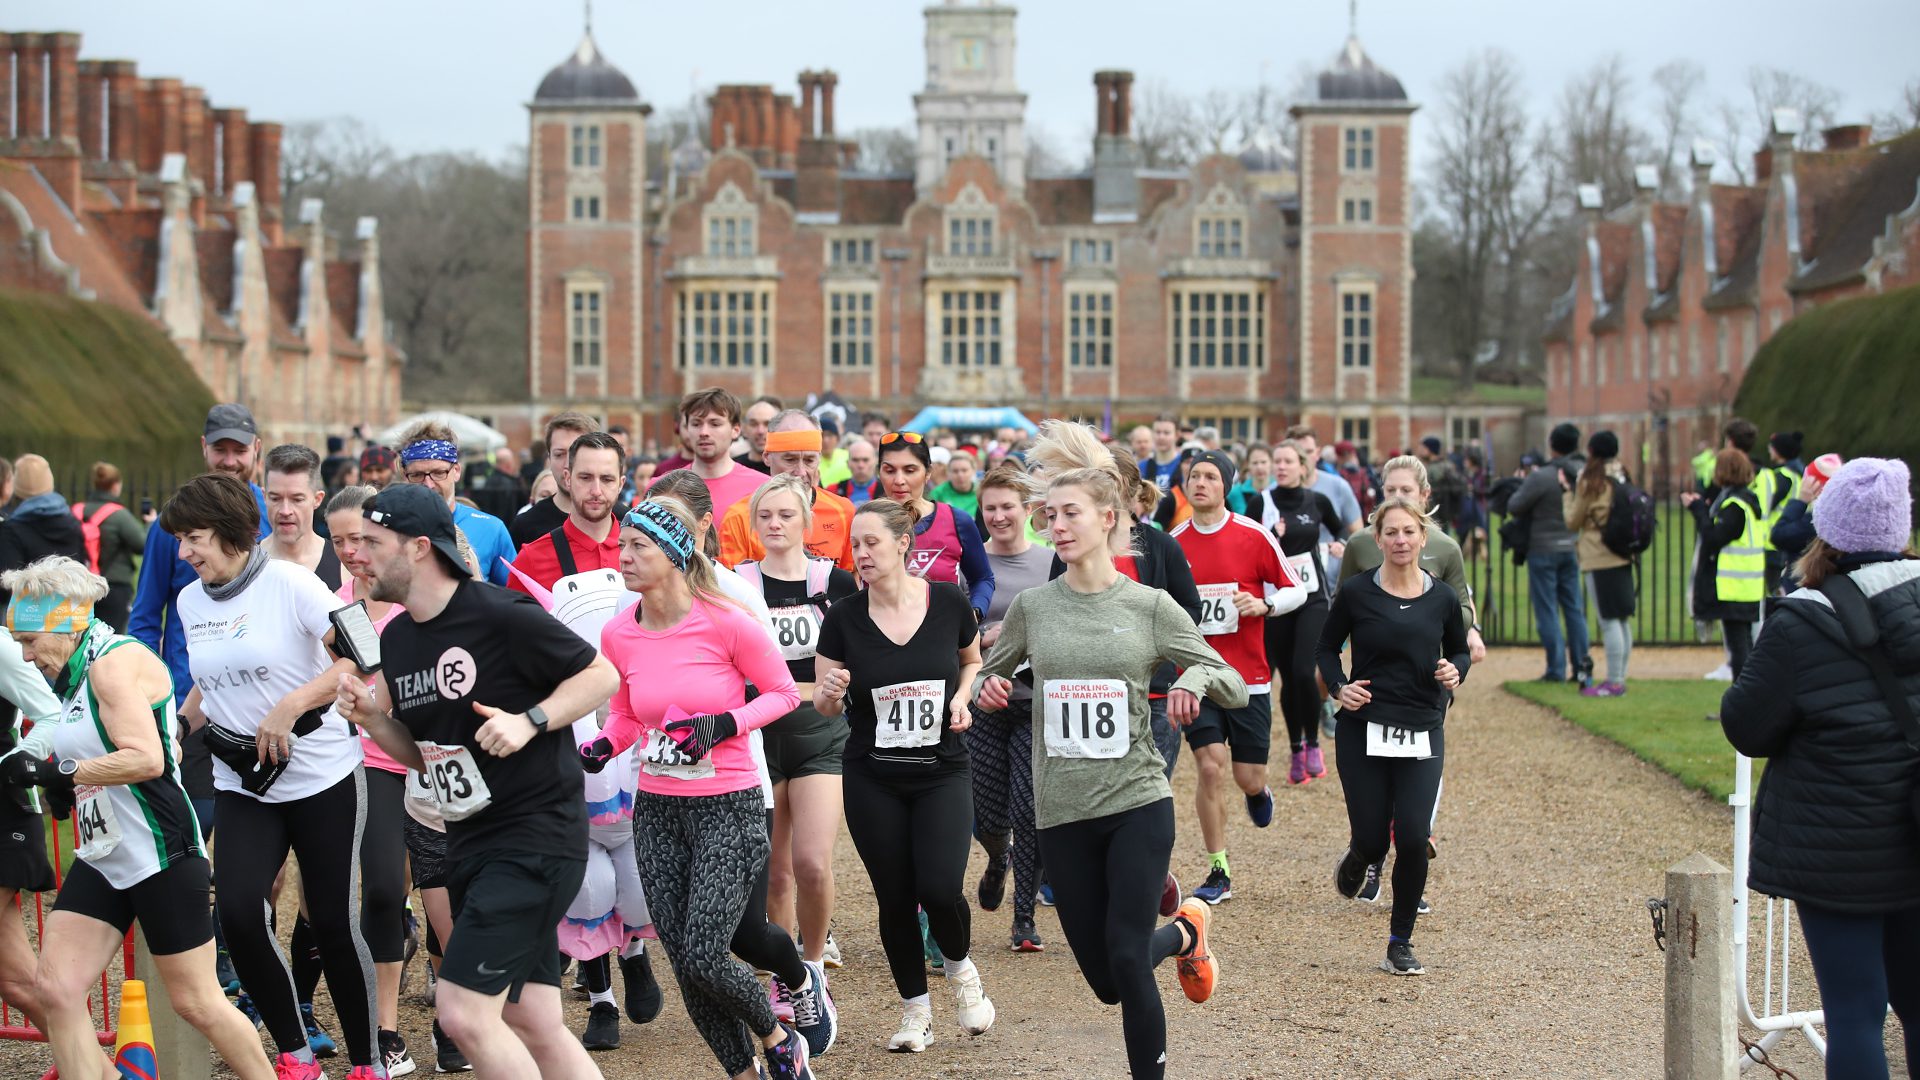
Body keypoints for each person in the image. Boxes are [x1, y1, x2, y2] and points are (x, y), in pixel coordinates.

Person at [334, 482, 618, 1079]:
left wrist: (530, 721)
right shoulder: (400, 638)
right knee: (534, 1018)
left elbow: (601, 676)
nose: (357, 554)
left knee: (462, 1013)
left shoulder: (497, 612)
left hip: (534, 839)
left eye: (372, 542)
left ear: (417, 548)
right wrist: (372, 720)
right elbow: (421, 757)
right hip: (472, 843)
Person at [974, 452, 1244, 1080]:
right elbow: (992, 671)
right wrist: (987, 688)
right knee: (1105, 980)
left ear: (1108, 518)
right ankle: (1184, 933)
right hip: (1061, 809)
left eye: (1071, 514)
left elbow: (1226, 676)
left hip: (1135, 801)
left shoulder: (1149, 606)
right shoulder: (1035, 608)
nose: (1058, 525)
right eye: (1052, 515)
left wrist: (1196, 679)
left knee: (1125, 958)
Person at [0, 557, 278, 1080]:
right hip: (105, 855)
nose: (24, 653)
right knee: (56, 988)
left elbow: (148, 758)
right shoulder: (75, 675)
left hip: (159, 849)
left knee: (197, 1001)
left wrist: (64, 770)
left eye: (30, 639)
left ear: (65, 624)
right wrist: (71, 785)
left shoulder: (111, 664)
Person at [580, 498, 825, 1078]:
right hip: (658, 810)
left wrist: (724, 724)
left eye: (639, 547)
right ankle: (743, 1072)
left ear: (673, 553)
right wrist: (603, 746)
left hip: (729, 805)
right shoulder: (619, 633)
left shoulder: (725, 620)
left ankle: (779, 1037)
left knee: (708, 954)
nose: (626, 557)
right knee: (686, 964)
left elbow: (785, 694)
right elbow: (625, 713)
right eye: (623, 546)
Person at [158, 474, 380, 1079]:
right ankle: (295, 1052)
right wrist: (178, 724)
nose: (186, 552)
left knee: (331, 921)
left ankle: (368, 1062)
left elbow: (362, 651)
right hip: (243, 781)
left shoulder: (289, 583)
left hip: (321, 774)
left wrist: (292, 704)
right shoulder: (191, 600)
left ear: (231, 534)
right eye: (180, 540)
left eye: (195, 538)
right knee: (235, 913)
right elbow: (215, 674)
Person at [1720, 457, 1920, 1080]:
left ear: (1825, 527)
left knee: (1856, 1011)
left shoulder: (1803, 619)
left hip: (1838, 842)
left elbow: (1747, 727)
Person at [814, 498, 994, 1052]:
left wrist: (964, 697)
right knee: (893, 896)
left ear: (902, 544)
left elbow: (970, 660)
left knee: (939, 887)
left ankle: (962, 973)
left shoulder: (947, 602)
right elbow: (825, 702)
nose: (861, 554)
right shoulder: (843, 616)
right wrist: (827, 694)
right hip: (874, 776)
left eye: (872, 543)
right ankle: (915, 1013)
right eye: (856, 544)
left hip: (942, 769)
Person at [1320, 498, 1470, 977]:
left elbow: (1460, 653)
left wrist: (1455, 671)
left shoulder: (1443, 598)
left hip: (1422, 727)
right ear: (1377, 539)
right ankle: (1360, 855)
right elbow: (1325, 648)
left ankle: (1399, 942)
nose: (1401, 541)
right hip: (1364, 726)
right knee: (1373, 837)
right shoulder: (1359, 593)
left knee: (1411, 835)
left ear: (1423, 538)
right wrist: (1340, 688)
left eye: (1409, 532)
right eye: (1392, 533)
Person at [318, 486, 430, 1075]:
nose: (353, 552)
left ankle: (452, 1017)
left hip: (421, 758)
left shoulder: (416, 597)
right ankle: (384, 1031)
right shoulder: (327, 605)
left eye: (363, 539)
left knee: (427, 893)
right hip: (354, 763)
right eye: (340, 541)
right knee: (377, 892)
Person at [735, 476, 856, 998]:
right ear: (754, 523)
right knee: (776, 874)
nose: (776, 524)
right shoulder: (736, 582)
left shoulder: (835, 581)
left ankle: (814, 964)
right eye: (766, 516)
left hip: (821, 734)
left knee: (812, 862)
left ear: (807, 521)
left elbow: (854, 656)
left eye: (787, 515)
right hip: (758, 737)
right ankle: (789, 983)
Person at [1028, 427, 1204, 781]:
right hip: (1088, 692)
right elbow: (1055, 606)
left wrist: (1148, 641)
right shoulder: (1072, 550)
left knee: (1147, 791)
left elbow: (1190, 610)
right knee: (1095, 792)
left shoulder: (1160, 546)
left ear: (1128, 491)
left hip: (1153, 692)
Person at [1173, 451, 1306, 905]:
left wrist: (1264, 606)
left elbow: (1297, 589)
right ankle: (1218, 868)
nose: (1201, 483)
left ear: (1226, 486)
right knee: (1210, 767)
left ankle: (1258, 790)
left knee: (1247, 776)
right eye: (1194, 476)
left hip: (1248, 678)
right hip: (1197, 676)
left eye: (1211, 476)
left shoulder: (1254, 535)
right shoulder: (1175, 543)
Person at [967, 464, 1056, 952]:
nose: (999, 516)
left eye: (1008, 507)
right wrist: (987, 639)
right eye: (991, 508)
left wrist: (1023, 638)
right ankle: (997, 857)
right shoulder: (971, 563)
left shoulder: (1050, 563)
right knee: (987, 811)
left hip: (1036, 703)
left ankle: (1024, 918)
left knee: (1029, 807)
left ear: (1028, 510)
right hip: (983, 703)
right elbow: (956, 633)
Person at [1256, 440, 1348, 788]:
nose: (1281, 466)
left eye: (1287, 461)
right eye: (1276, 461)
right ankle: (1295, 748)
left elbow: (1341, 530)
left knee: (1302, 670)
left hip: (1311, 596)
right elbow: (1248, 544)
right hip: (1277, 598)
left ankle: (1312, 743)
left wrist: (1338, 545)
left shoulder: (1317, 501)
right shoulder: (1260, 503)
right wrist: (1270, 537)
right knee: (1287, 678)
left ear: (1302, 466)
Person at [717, 411, 856, 571]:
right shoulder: (739, 517)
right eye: (790, 460)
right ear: (767, 457)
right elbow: (729, 589)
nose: (801, 471)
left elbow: (850, 585)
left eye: (810, 460)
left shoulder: (844, 512)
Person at [876, 431, 995, 619]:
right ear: (879, 472)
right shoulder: (864, 522)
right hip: (879, 639)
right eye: (890, 470)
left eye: (910, 470)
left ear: (928, 473)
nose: (899, 480)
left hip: (943, 639)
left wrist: (973, 613)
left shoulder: (957, 521)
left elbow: (982, 578)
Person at [1508, 423, 1591, 685]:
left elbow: (1515, 505)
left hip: (1543, 548)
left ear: (1552, 445)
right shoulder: (1582, 473)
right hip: (1571, 547)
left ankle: (1556, 669)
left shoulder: (1543, 476)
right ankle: (1580, 667)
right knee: (1574, 610)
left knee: (1547, 611)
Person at [399, 421, 517, 587]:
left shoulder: (491, 529)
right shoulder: (391, 529)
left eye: (438, 473)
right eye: (417, 475)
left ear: (456, 472)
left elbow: (515, 599)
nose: (428, 484)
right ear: (405, 477)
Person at [1683, 449, 1765, 681]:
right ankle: (1749, 698)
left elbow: (1714, 538)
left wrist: (1698, 511)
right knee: (1745, 644)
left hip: (1734, 585)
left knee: (1738, 646)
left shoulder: (1735, 505)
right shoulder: (1746, 500)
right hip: (1745, 583)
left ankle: (1743, 702)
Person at [1564, 432, 1634, 696]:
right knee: (1622, 618)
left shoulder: (1590, 479)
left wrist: (1566, 495)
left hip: (1599, 553)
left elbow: (1573, 520)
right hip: (1623, 550)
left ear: (1592, 450)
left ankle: (1615, 681)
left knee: (1608, 620)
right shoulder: (1622, 474)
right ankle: (1620, 676)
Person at [649, 388, 765, 520]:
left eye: (714, 424)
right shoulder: (660, 488)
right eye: (696, 423)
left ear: (736, 430)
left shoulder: (761, 488)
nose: (704, 432)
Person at [69, 461, 147, 632]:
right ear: (116, 485)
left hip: (79, 587)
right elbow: (142, 545)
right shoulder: (119, 515)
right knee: (111, 639)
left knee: (79, 638)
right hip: (113, 586)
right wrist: (149, 525)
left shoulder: (75, 512)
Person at [0, 455, 86, 610]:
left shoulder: (12, 529)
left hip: (27, 616)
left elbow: (7, 586)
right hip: (66, 612)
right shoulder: (73, 524)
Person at [510, 412, 601, 548]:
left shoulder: (622, 520)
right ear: (549, 458)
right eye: (559, 454)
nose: (567, 464)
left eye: (575, 453)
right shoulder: (525, 525)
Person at [262, 445, 343, 590]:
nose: (285, 511)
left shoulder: (343, 564)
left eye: (297, 499)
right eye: (275, 499)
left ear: (317, 499)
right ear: (264, 497)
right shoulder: (244, 566)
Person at [737, 396, 782, 475]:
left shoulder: (787, 470)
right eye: (753, 424)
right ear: (743, 429)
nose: (760, 431)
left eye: (767, 424)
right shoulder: (734, 468)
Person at [1225, 443, 1273, 517]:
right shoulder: (1235, 493)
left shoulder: (1280, 489)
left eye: (1263, 462)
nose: (1259, 467)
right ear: (1248, 464)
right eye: (1255, 463)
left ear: (1271, 462)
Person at [931, 449, 980, 517]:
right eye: (955, 471)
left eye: (964, 470)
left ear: (973, 470)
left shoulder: (981, 492)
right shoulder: (938, 493)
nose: (960, 475)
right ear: (948, 472)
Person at [1140, 414, 1182, 493]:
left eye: (1166, 433)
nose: (1161, 437)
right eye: (1158, 432)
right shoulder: (1142, 467)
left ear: (1177, 435)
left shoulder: (1185, 465)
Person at [831, 438, 879, 506]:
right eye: (855, 460)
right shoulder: (833, 491)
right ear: (848, 463)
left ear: (875, 462)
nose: (860, 465)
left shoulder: (887, 491)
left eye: (865, 460)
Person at [816, 417, 851, 489]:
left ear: (837, 438)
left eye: (829, 435)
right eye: (821, 435)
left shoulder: (848, 456)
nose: (825, 440)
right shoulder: (811, 461)